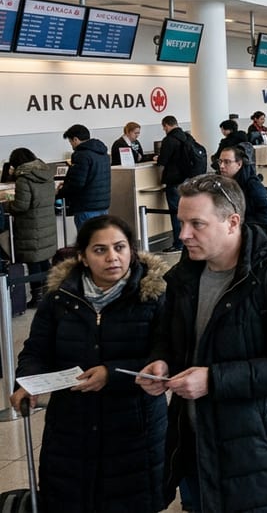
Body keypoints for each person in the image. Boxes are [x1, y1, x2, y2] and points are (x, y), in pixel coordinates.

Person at [136, 174, 267, 513]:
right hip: (197, 450)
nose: (183, 235)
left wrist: (213, 380)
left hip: (257, 457)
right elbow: (170, 335)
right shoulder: (185, 275)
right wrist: (161, 360)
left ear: (232, 222)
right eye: (181, 222)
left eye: (197, 224)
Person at [11, 215, 168, 512]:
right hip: (71, 428)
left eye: (120, 247)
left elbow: (165, 354)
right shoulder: (59, 298)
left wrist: (113, 374)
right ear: (82, 256)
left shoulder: (154, 296)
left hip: (134, 430)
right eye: (100, 250)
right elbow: (35, 351)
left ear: (131, 251)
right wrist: (27, 382)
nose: (113, 257)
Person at [5, 148, 56, 305]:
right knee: (43, 260)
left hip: (31, 226)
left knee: (33, 260)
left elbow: (21, 206)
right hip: (46, 223)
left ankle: (37, 297)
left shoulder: (24, 179)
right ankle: (50, 291)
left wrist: (8, 206)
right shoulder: (46, 174)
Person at [59, 124, 111, 229]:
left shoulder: (81, 155)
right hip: (103, 204)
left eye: (70, 142)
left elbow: (77, 183)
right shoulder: (103, 153)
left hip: (86, 206)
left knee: (87, 240)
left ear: (75, 139)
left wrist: (61, 191)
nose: (71, 146)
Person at [158, 115, 197, 251]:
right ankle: (188, 239)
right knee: (186, 212)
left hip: (174, 180)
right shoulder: (187, 137)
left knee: (176, 213)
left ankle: (178, 243)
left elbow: (162, 162)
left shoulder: (169, 140)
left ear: (166, 125)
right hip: (187, 179)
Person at [216, 144, 267, 228]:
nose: (222, 166)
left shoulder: (252, 184)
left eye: (227, 162)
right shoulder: (222, 184)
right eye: (220, 161)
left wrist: (243, 226)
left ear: (239, 164)